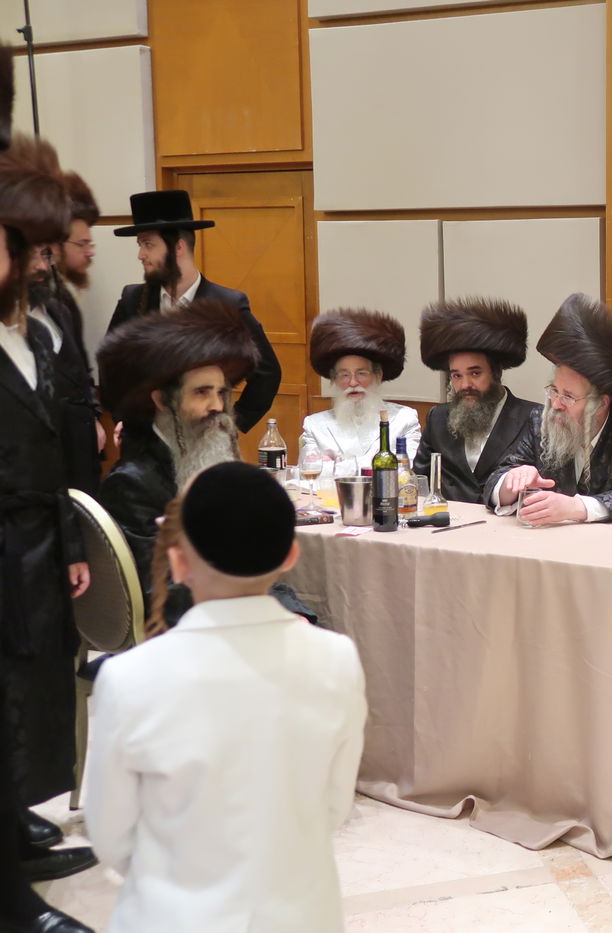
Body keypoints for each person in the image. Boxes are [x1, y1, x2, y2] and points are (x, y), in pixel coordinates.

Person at [85, 462, 367, 933]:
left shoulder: (129, 677)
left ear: (178, 562)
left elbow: (111, 836)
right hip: (300, 914)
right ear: (290, 555)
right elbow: (335, 805)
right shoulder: (337, 658)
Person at [0, 130, 100, 916]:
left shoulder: (35, 331)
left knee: (37, 696)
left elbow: (54, 452)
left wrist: (70, 542)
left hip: (39, 541)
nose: (40, 262)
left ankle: (16, 827)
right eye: (26, 247)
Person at [96, 299, 315, 629]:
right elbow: (161, 593)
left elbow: (255, 565)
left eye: (221, 393)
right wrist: (260, 617)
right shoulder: (133, 484)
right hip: (192, 636)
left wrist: (289, 612)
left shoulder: (216, 466)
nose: (217, 406)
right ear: (162, 400)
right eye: (201, 393)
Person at [107, 189, 281, 433]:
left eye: (148, 245)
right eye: (140, 245)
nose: (140, 255)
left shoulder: (226, 304)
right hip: (145, 438)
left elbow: (267, 373)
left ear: (177, 247)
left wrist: (231, 426)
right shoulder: (132, 300)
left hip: (205, 438)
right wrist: (123, 419)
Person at [487, 293, 612, 523]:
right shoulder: (541, 421)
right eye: (554, 390)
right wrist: (511, 482)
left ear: (601, 403)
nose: (555, 404)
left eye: (568, 397)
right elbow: (494, 480)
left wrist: (577, 507)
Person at [413, 297, 541, 503]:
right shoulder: (438, 418)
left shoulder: (534, 418)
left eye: (475, 373)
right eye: (457, 375)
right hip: (446, 520)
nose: (465, 385)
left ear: (496, 373)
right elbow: (419, 483)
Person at [27, 164, 103, 494]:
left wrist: (93, 418)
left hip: (78, 459)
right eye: (33, 253)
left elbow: (80, 370)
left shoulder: (59, 304)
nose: (41, 265)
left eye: (45, 254)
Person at [302, 307, 420, 472]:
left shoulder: (404, 419)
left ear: (378, 376)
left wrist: (336, 465)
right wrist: (374, 464)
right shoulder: (314, 426)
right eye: (344, 375)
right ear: (334, 380)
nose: (353, 382)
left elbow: (405, 470)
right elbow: (309, 470)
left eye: (361, 373)